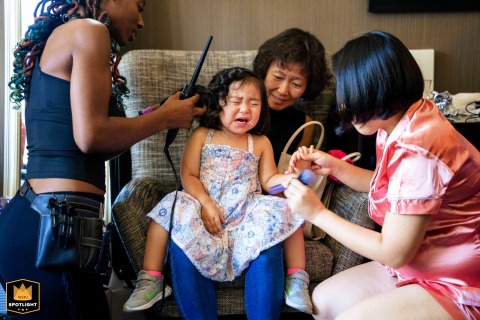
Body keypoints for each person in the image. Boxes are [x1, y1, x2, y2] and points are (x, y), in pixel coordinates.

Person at [0, 1, 204, 319]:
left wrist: (156, 115)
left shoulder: (69, 34)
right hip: (52, 235)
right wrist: (164, 119)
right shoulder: (90, 31)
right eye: (138, 7)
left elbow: (94, 145)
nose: (141, 21)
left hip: (35, 228)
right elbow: (91, 136)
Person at [284, 31, 480, 320]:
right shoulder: (400, 120)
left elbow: (392, 251)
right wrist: (335, 167)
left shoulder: (420, 150)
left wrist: (317, 213)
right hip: (419, 259)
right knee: (323, 303)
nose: (341, 104)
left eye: (346, 93)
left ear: (372, 90)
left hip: (456, 276)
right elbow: (395, 189)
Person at [123, 67, 307, 319]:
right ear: (220, 103)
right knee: (171, 206)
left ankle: (296, 279)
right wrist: (206, 203)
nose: (246, 109)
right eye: (236, 101)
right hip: (204, 209)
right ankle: (151, 279)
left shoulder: (261, 142)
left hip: (246, 214)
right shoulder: (202, 136)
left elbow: (268, 181)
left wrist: (288, 180)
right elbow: (188, 176)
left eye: (254, 103)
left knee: (285, 208)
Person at [253, 27, 330, 313]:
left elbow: (302, 175)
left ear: (308, 86)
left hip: (277, 199)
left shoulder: (305, 124)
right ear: (264, 69)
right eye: (278, 77)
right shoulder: (244, 108)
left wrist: (302, 171)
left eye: (296, 83)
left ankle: (297, 279)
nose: (284, 90)